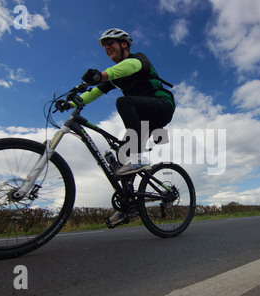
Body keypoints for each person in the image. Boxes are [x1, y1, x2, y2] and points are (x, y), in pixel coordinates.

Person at [56, 28, 175, 226]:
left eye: (110, 43)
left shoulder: (138, 59)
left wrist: (101, 75)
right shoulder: (115, 76)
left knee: (123, 102)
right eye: (104, 46)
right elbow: (94, 93)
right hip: (142, 118)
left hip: (162, 106)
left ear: (124, 44)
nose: (107, 48)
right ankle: (127, 206)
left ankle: (137, 157)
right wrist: (70, 103)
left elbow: (130, 66)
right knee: (122, 157)